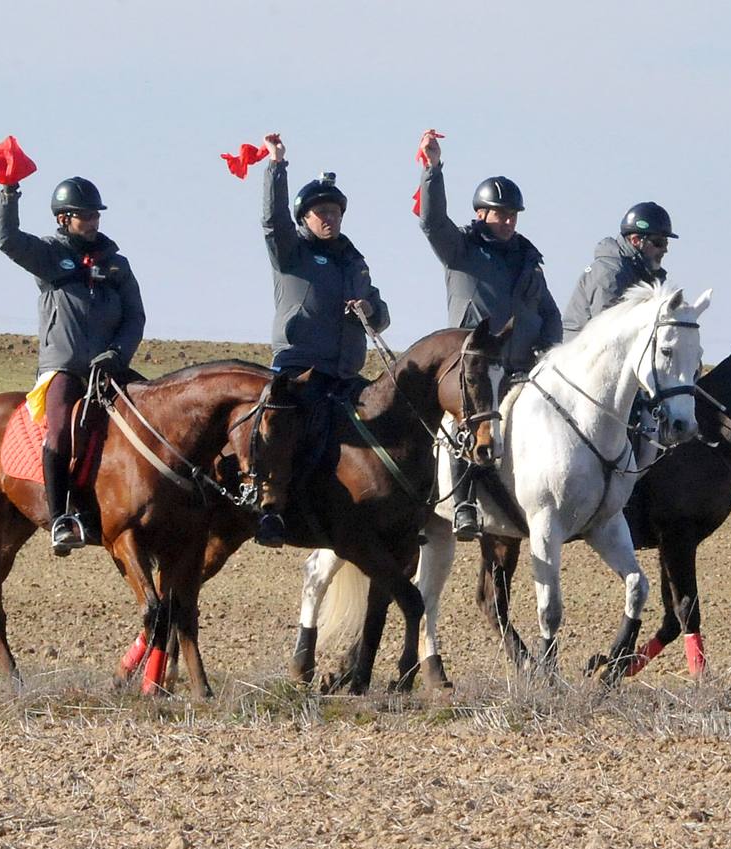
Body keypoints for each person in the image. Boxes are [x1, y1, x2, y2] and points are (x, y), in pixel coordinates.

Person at [416, 129, 561, 539]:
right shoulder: (460, 249)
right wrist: (433, 168)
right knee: (463, 425)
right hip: (474, 369)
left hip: (521, 369)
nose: (509, 220)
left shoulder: (529, 260)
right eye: (501, 213)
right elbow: (430, 222)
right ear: (481, 214)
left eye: (513, 213)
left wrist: (549, 350)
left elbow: (548, 312)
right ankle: (462, 505)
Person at [0, 175, 145, 555]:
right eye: (85, 215)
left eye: (95, 215)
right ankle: (62, 516)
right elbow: (8, 240)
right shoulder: (47, 255)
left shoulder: (118, 265)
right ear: (64, 219)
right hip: (64, 370)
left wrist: (116, 354)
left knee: (151, 420)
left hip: (110, 368)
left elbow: (134, 318)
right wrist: (9, 193)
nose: (93, 221)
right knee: (60, 433)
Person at [258, 131, 389, 547]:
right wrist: (276, 167)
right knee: (290, 436)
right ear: (305, 218)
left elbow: (381, 312)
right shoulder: (290, 251)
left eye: (334, 211)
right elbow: (271, 221)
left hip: (346, 373)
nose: (329, 217)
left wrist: (368, 310)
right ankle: (272, 512)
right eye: (320, 212)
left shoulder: (354, 261)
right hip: (300, 369)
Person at [562, 202, 677, 337]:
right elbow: (607, 331)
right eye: (659, 243)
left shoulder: (643, 273)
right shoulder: (610, 273)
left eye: (666, 243)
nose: (665, 250)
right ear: (635, 240)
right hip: (580, 351)